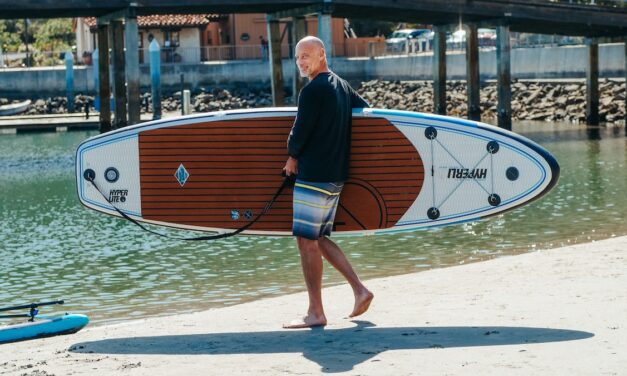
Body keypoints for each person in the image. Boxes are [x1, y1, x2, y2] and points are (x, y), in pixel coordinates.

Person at [282, 36, 373, 329]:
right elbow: (366, 111)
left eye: (306, 55)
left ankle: (315, 312)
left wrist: (292, 156)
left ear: (322, 54)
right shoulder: (342, 86)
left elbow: (298, 134)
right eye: (298, 58)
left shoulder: (311, 91)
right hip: (335, 176)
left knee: (306, 242)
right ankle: (360, 290)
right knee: (317, 238)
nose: (302, 62)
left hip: (314, 176)